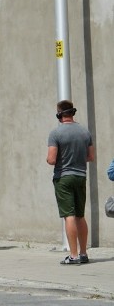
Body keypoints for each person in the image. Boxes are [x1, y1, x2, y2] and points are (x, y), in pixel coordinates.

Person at [46, 101, 95, 265]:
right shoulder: (85, 132)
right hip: (81, 176)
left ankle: (73, 255)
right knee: (80, 215)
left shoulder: (56, 133)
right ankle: (83, 253)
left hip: (63, 178)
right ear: (72, 112)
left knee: (69, 216)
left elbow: (51, 159)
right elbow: (90, 157)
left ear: (59, 114)